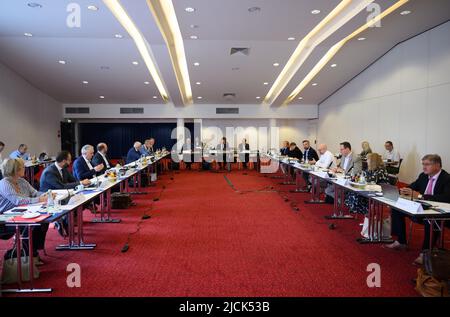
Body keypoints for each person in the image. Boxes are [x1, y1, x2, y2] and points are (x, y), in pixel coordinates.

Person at [386, 154, 450, 265]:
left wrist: (420, 196)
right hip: (422, 208)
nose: (424, 167)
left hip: (440, 212)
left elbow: (446, 198)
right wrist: (404, 190)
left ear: (437, 165)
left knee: (430, 220)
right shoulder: (423, 176)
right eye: (423, 164)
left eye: (427, 164)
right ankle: (401, 241)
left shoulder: (447, 179)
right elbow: (412, 187)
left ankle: (425, 253)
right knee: (396, 208)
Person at [0, 158, 49, 261]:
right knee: (30, 225)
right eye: (22, 167)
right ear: (15, 169)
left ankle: (33, 252)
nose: (25, 168)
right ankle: (29, 255)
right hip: (5, 220)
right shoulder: (4, 183)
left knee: (43, 221)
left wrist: (46, 194)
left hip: (22, 214)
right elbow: (18, 201)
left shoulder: (22, 181)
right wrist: (39, 199)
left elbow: (35, 193)